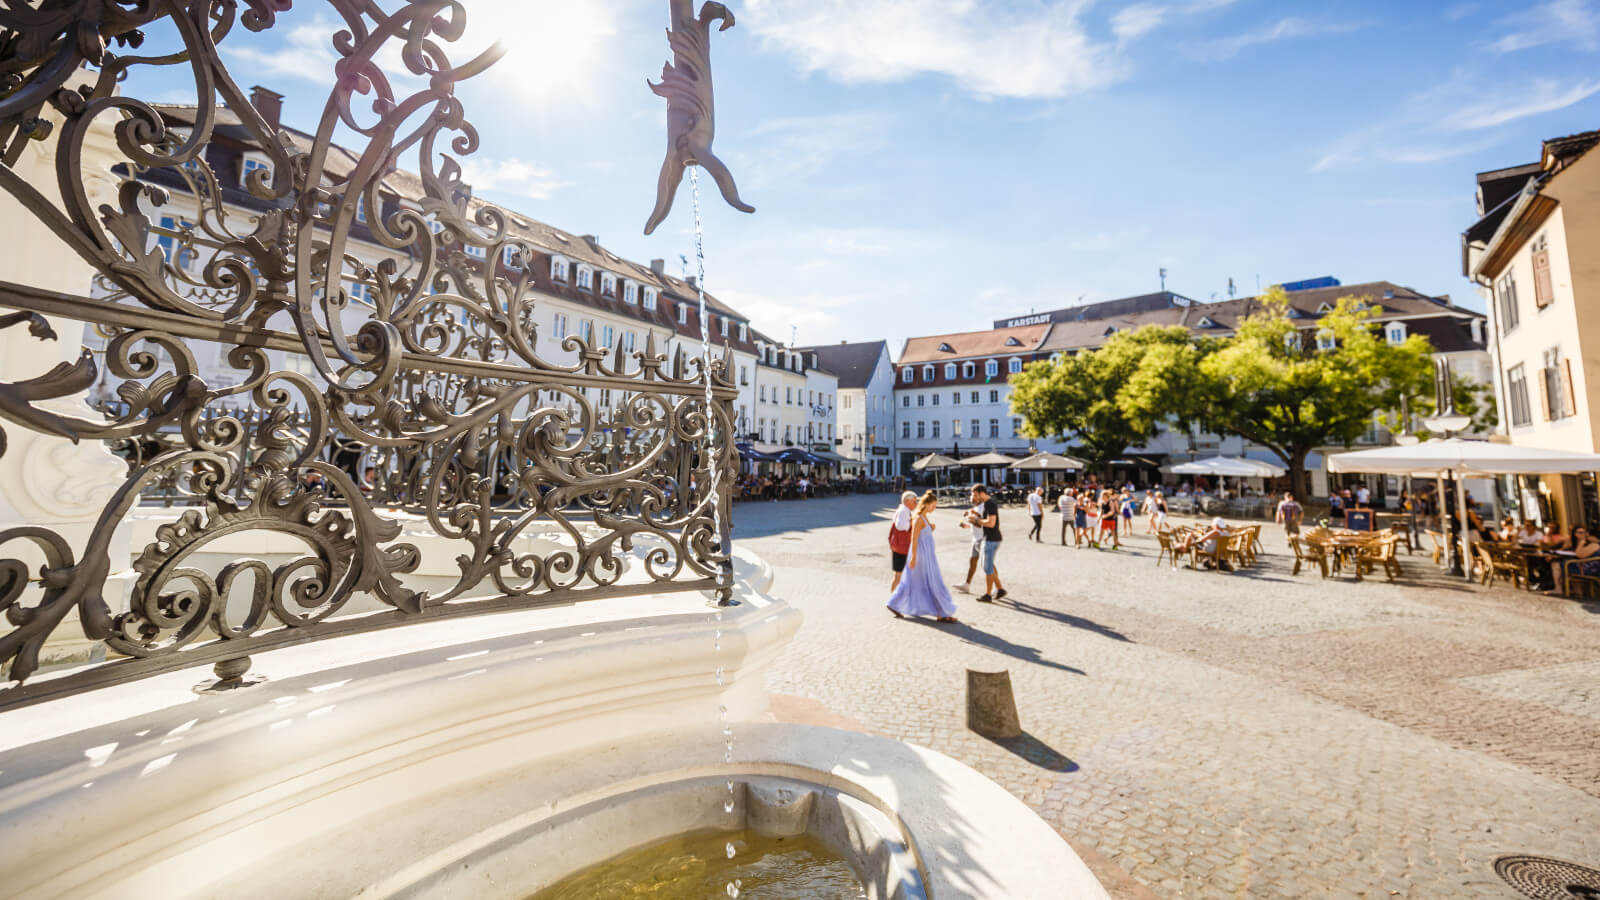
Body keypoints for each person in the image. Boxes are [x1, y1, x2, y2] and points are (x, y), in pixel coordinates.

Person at [887, 491, 959, 623]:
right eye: (933, 505)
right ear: (926, 504)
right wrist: (913, 557)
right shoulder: (919, 518)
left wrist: (930, 528)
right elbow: (914, 539)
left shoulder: (924, 517)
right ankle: (942, 613)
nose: (935, 507)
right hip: (921, 556)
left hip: (927, 555)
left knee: (921, 582)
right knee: (931, 582)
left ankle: (941, 613)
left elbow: (922, 535)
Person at [969, 484, 1007, 603]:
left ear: (981, 493)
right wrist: (976, 518)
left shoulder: (990, 504)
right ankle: (999, 589)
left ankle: (988, 594)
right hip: (990, 538)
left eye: (975, 495)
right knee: (987, 565)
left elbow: (991, 523)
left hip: (991, 539)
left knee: (987, 567)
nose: (974, 497)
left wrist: (976, 520)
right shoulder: (988, 503)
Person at [958, 485, 986, 592]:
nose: (971, 497)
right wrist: (967, 525)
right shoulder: (975, 508)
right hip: (976, 538)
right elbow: (975, 525)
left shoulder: (983, 508)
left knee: (987, 565)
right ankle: (967, 584)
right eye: (971, 495)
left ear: (980, 495)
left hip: (982, 539)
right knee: (973, 560)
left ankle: (998, 587)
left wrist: (970, 519)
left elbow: (982, 524)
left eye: (974, 495)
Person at [888, 490, 916, 590]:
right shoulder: (904, 511)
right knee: (899, 575)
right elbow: (900, 526)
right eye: (914, 501)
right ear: (908, 501)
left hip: (899, 546)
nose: (916, 504)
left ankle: (895, 598)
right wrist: (912, 524)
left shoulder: (902, 509)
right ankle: (893, 600)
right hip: (902, 547)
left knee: (898, 575)